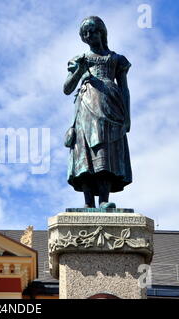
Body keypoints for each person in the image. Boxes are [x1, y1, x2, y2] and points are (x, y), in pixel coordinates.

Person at [63, 16, 132, 209]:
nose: (88, 35)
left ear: (102, 32)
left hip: (111, 104)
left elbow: (125, 89)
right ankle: (87, 202)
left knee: (106, 150)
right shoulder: (80, 59)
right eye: (85, 33)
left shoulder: (116, 59)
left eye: (92, 31)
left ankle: (103, 199)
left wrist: (128, 116)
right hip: (86, 104)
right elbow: (67, 88)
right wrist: (79, 72)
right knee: (84, 150)